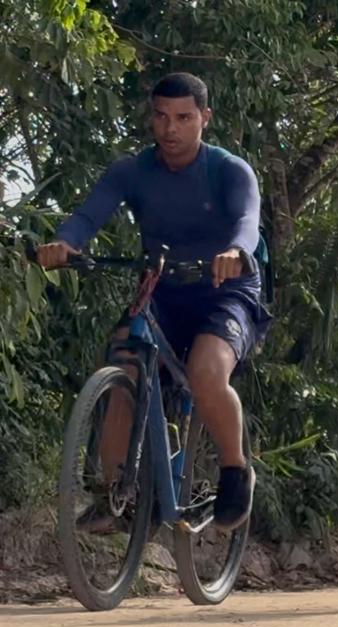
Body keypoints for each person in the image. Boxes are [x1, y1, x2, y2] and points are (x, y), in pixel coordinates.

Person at [36, 72, 270, 531]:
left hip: (226, 290)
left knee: (206, 372)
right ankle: (114, 492)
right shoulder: (131, 171)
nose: (170, 129)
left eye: (184, 118)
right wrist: (64, 244)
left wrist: (236, 252)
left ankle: (235, 469)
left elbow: (248, 220)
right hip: (162, 288)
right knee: (123, 361)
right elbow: (87, 216)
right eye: (161, 117)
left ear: (205, 118)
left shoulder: (229, 169)